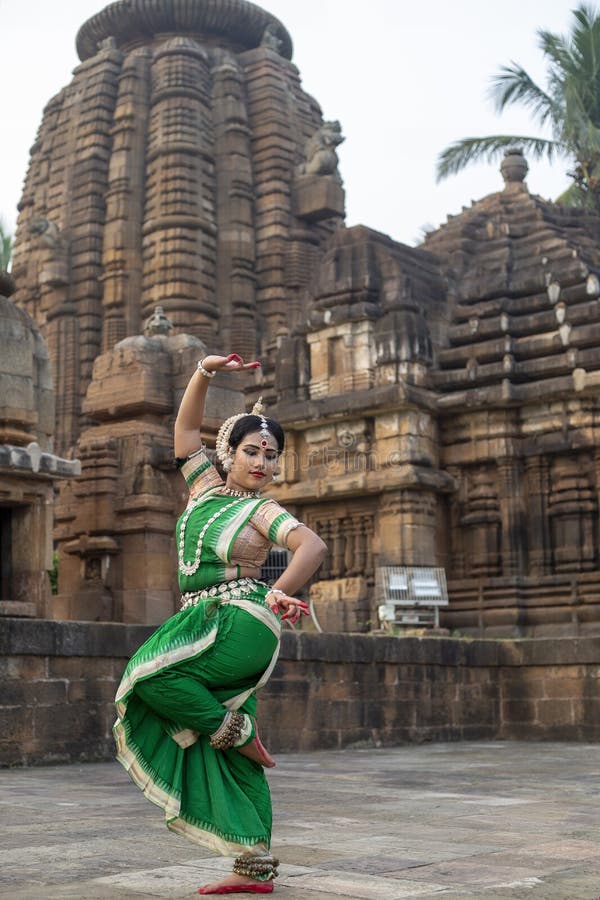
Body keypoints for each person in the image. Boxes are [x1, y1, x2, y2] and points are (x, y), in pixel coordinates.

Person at [113, 353, 327, 896]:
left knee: (150, 677)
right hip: (202, 617)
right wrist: (204, 372)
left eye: (271, 456)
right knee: (222, 745)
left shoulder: (262, 510)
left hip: (240, 618)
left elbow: (312, 545)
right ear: (227, 455)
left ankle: (239, 732)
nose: (262, 463)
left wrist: (280, 592)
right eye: (252, 452)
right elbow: (185, 430)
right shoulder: (204, 490)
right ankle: (253, 866)